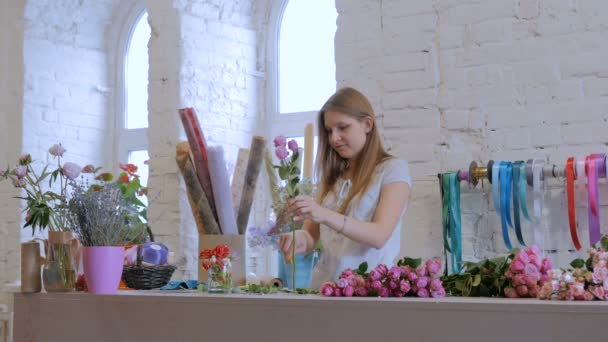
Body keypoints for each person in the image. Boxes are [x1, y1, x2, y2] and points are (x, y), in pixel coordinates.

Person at [279, 87, 412, 289]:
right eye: (329, 130)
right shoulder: (332, 177)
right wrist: (296, 240)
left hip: (368, 294)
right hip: (324, 290)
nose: (334, 138)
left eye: (343, 128)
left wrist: (323, 214)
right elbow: (311, 237)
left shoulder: (393, 170)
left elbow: (379, 236)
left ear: (367, 124)